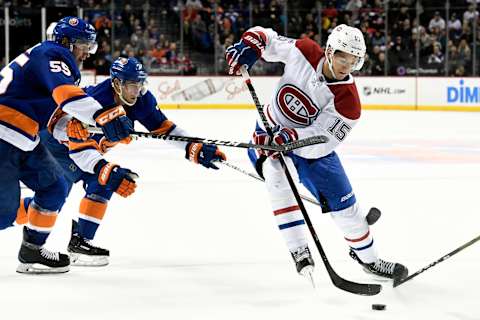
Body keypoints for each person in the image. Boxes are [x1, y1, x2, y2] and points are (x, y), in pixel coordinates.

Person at [225, 25, 408, 282]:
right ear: (330, 50)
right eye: (343, 55)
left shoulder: (349, 103)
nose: (348, 63)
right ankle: (298, 248)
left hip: (313, 151)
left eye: (354, 59)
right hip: (269, 132)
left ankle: (370, 260)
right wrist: (252, 44)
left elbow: (322, 139)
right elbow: (270, 39)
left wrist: (291, 138)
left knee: (347, 209)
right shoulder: (306, 50)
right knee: (277, 176)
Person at [38, 56, 226, 266]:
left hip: (77, 150)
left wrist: (194, 146)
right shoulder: (94, 101)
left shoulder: (142, 99)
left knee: (51, 202)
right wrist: (105, 169)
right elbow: (78, 146)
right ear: (117, 84)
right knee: (94, 183)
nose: (137, 91)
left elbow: (164, 128)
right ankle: (78, 243)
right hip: (56, 145)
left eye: (140, 84)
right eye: (132, 85)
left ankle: (73, 240)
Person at [0, 16, 135, 274]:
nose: (88, 51)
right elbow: (67, 96)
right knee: (4, 213)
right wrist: (104, 116)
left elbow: (57, 118)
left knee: (55, 185)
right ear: (68, 42)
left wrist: (80, 130)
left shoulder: (52, 60)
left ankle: (32, 251)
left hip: (25, 137)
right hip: (4, 134)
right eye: (85, 44)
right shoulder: (54, 54)